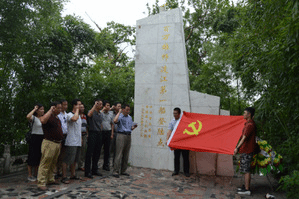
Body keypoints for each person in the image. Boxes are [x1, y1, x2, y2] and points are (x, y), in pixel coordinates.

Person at [37, 101, 64, 191]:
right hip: (49, 143)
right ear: (53, 108)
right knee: (45, 162)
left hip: (57, 143)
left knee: (53, 163)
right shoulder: (48, 116)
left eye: (61, 108)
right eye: (58, 108)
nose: (60, 109)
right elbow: (42, 120)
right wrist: (50, 110)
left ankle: (50, 179)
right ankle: (41, 182)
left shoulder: (57, 118)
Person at [234, 107, 256, 196]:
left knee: (246, 170)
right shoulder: (248, 124)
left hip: (247, 150)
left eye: (245, 113)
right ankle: (245, 187)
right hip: (246, 150)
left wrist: (237, 148)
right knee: (244, 168)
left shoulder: (250, 125)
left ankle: (247, 189)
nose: (243, 114)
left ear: (249, 114)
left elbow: (244, 138)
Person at [112, 104, 137, 178]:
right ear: (123, 109)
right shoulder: (120, 116)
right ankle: (116, 170)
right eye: (127, 110)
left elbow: (130, 127)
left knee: (126, 153)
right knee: (119, 153)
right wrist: (119, 112)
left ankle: (123, 170)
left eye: (129, 110)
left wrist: (133, 127)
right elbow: (115, 121)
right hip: (121, 135)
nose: (128, 111)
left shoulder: (129, 117)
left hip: (128, 135)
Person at [61, 99, 82, 184]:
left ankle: (73, 174)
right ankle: (64, 176)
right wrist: (77, 110)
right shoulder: (69, 115)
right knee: (67, 160)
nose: (80, 106)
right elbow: (74, 119)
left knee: (75, 160)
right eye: (78, 105)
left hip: (77, 141)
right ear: (74, 105)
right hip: (71, 141)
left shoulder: (79, 115)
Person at [166, 107, 190, 177]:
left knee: (185, 157)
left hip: (184, 142)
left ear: (179, 114)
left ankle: (186, 172)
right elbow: (169, 130)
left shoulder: (183, 121)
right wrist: (167, 139)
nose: (174, 115)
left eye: (176, 113)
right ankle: (176, 171)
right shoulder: (172, 122)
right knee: (176, 157)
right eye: (173, 113)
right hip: (176, 142)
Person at [84, 99, 103, 178]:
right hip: (92, 133)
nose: (101, 105)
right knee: (90, 153)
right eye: (99, 104)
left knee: (97, 152)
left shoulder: (100, 114)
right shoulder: (92, 111)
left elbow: (101, 123)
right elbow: (89, 115)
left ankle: (95, 169)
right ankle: (87, 171)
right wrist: (94, 105)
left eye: (101, 104)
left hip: (99, 133)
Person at [26, 104, 45, 182]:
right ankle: (30, 175)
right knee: (32, 156)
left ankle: (36, 174)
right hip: (34, 138)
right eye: (41, 109)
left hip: (42, 138)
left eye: (43, 109)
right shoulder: (34, 118)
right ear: (37, 111)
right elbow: (28, 116)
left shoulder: (44, 118)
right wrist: (34, 109)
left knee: (39, 156)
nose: (42, 111)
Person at [100, 100, 114, 171]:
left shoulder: (111, 113)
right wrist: (103, 110)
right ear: (104, 106)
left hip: (108, 132)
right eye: (107, 105)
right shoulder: (101, 113)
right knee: (99, 149)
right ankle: (95, 165)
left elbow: (112, 124)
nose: (108, 107)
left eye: (109, 105)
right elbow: (99, 116)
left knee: (107, 150)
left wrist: (112, 133)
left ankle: (106, 165)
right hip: (101, 132)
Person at [56, 99, 68, 177]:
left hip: (66, 135)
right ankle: (56, 171)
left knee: (63, 155)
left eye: (66, 105)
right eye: (64, 105)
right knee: (57, 154)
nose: (65, 106)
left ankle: (60, 170)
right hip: (59, 136)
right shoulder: (57, 115)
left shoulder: (66, 114)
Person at [110, 102, 121, 167]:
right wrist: (111, 108)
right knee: (110, 149)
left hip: (119, 133)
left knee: (117, 149)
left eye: (120, 106)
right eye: (118, 106)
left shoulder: (121, 114)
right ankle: (107, 163)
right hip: (113, 133)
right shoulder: (111, 113)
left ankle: (115, 163)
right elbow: (112, 124)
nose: (120, 108)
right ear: (115, 107)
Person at [78, 103, 88, 171]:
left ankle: (81, 164)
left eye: (83, 107)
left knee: (83, 150)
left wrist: (87, 133)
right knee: (78, 150)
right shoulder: (77, 116)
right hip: (79, 135)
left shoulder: (84, 116)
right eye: (81, 107)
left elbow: (85, 125)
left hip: (84, 134)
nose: (82, 108)